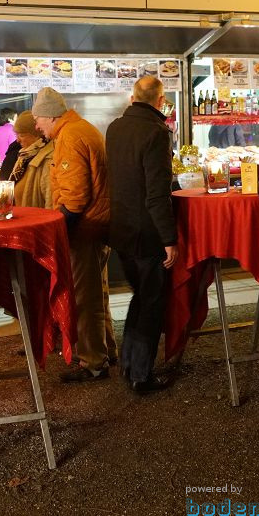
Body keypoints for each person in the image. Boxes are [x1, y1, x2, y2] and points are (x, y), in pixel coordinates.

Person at [33, 87, 118, 382]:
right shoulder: (84, 129)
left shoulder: (69, 136)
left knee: (84, 297)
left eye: (38, 119)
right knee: (98, 293)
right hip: (100, 226)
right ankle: (107, 350)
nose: (36, 126)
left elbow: (75, 197)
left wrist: (59, 231)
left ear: (51, 115)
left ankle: (93, 362)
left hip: (84, 229)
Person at [106, 76, 179, 394]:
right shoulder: (156, 132)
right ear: (160, 100)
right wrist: (169, 239)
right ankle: (141, 375)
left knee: (140, 295)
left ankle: (128, 363)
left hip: (120, 228)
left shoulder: (115, 128)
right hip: (147, 232)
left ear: (133, 96)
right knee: (151, 301)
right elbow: (157, 193)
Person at [9, 110, 54, 209]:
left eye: (22, 135)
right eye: (17, 135)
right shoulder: (23, 158)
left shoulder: (48, 159)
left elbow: (51, 202)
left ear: (36, 135)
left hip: (37, 221)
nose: (17, 140)